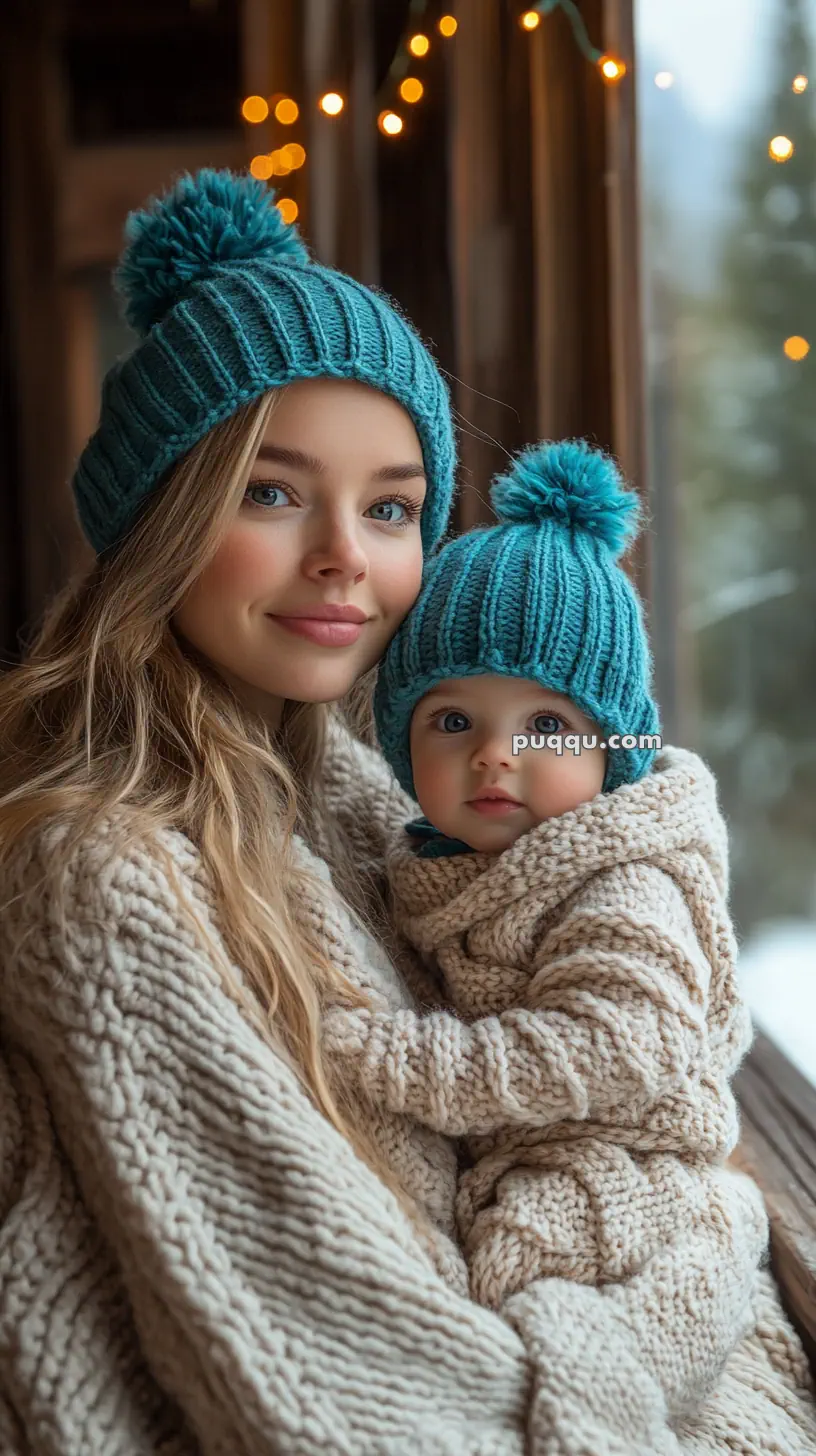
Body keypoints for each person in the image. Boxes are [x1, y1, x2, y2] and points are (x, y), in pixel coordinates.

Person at [0, 168, 781, 1455]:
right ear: (160, 517)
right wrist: (694, 1268)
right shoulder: (105, 876)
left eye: (391, 507)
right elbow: (341, 1384)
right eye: (270, 490)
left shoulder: (360, 784)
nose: (343, 558)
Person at [324, 438, 816, 1451]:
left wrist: (395, 1056)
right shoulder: (438, 855)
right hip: (533, 1144)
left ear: (611, 747)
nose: (497, 754)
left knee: (517, 1288)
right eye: (452, 717)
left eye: (547, 725)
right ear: (400, 743)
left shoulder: (618, 881)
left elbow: (615, 1044)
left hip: (627, 1152)